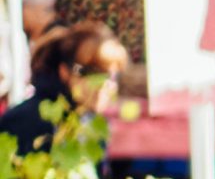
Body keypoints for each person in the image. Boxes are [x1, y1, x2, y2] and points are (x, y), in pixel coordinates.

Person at [0, 21, 127, 156]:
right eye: (93, 72)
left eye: (113, 76)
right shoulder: (24, 120)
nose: (105, 84)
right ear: (65, 71)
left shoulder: (94, 125)